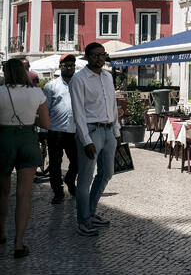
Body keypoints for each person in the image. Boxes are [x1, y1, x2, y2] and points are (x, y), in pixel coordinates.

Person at [0, 58, 50, 258]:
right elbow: (46, 124)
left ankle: (1, 232)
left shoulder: (0, 92)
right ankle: (19, 243)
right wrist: (30, 117)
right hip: (28, 139)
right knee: (24, 194)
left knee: (2, 192)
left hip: (3, 140)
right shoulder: (36, 93)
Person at [70, 43, 120, 237]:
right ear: (87, 57)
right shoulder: (79, 79)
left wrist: (117, 129)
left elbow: (113, 105)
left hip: (108, 131)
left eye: (102, 55)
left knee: (107, 172)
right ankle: (83, 220)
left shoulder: (108, 76)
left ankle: (90, 212)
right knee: (85, 178)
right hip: (91, 131)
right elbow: (78, 111)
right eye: (95, 55)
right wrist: (86, 140)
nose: (100, 58)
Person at [43, 54, 79, 204]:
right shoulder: (51, 86)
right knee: (55, 164)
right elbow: (45, 110)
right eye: (67, 65)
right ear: (61, 66)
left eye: (72, 65)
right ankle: (58, 192)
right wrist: (43, 131)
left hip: (74, 130)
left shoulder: (79, 84)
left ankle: (70, 180)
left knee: (77, 162)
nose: (70, 67)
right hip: (55, 130)